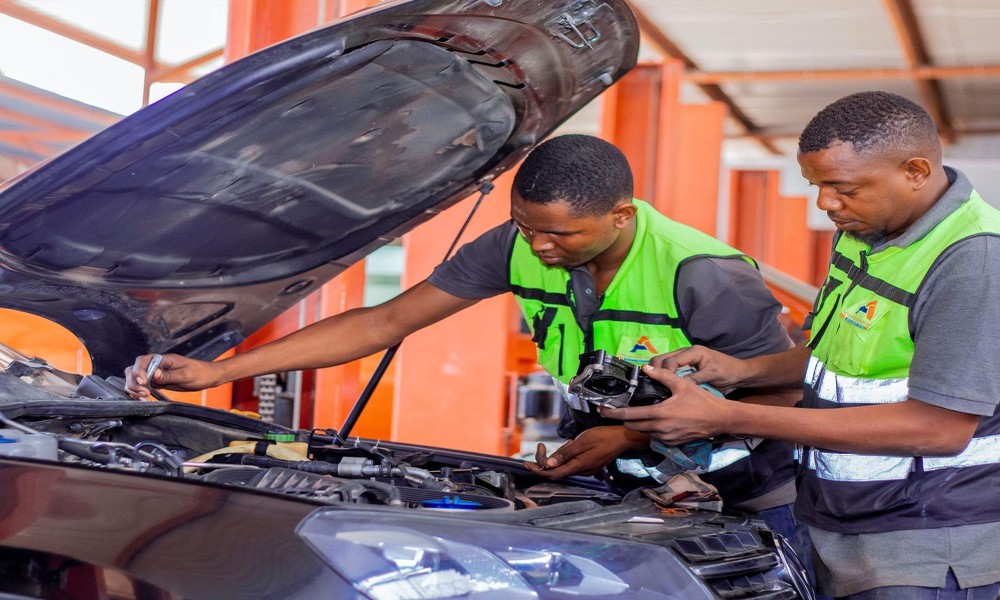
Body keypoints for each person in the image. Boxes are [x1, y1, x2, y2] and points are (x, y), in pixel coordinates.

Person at [123, 134, 802, 539]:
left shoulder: (700, 271)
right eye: (526, 225)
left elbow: (786, 388)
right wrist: (216, 373)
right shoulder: (516, 244)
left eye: (559, 233)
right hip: (616, 476)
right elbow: (386, 322)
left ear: (620, 216)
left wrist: (634, 435)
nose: (537, 246)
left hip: (744, 485)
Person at [603, 91, 1000, 600]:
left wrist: (726, 417)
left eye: (843, 188)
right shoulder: (865, 231)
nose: (826, 204)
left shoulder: (972, 263)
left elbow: (938, 427)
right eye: (816, 186)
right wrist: (738, 372)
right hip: (838, 519)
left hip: (925, 543)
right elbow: (833, 353)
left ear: (916, 171)